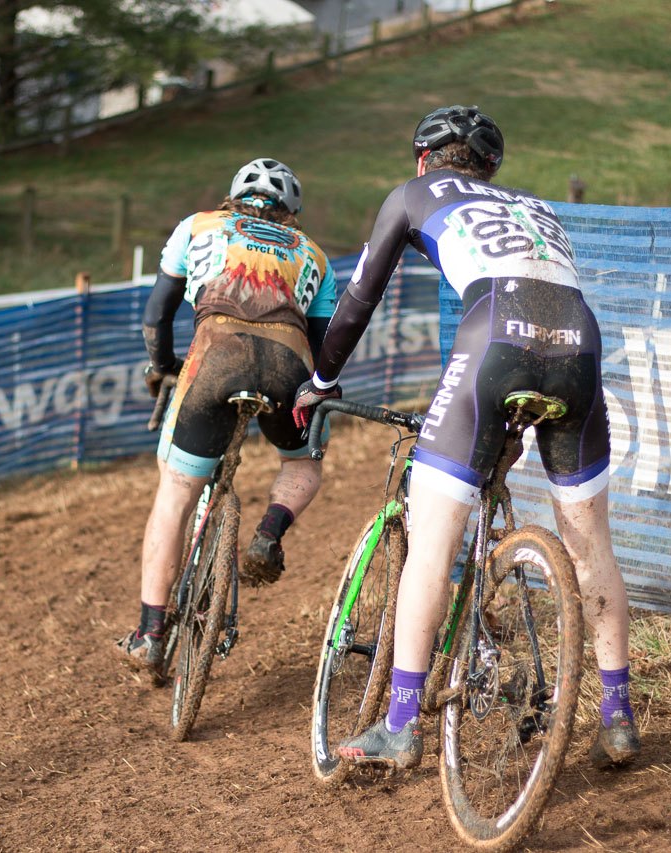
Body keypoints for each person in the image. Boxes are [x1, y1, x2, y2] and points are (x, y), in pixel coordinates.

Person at [291, 106, 640, 770]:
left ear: (425, 159)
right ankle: (618, 715)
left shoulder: (414, 194)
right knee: (592, 542)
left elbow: (361, 298)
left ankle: (399, 726)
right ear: (490, 168)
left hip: (497, 334)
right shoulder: (533, 208)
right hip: (580, 342)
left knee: (433, 533)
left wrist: (321, 377)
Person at [114, 157, 338, 676]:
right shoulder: (314, 254)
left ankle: (150, 633)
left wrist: (162, 365)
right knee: (302, 466)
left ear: (233, 196)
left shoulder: (198, 225)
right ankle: (268, 533)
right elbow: (326, 344)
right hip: (289, 363)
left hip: (214, 355)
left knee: (175, 493)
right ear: (291, 211)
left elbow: (157, 313)